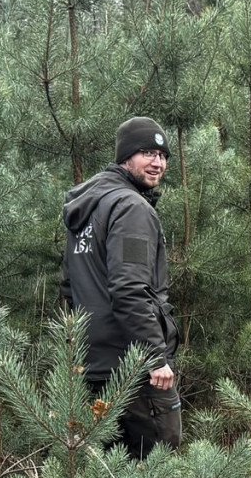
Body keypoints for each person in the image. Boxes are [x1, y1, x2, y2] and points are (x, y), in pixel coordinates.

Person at [61, 116, 182, 459]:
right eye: (147, 152)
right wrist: (155, 356)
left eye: (163, 155)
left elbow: (69, 287)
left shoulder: (87, 209)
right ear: (125, 157)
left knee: (108, 477)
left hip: (92, 366)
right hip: (134, 369)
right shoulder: (130, 208)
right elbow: (130, 287)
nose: (157, 162)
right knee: (153, 469)